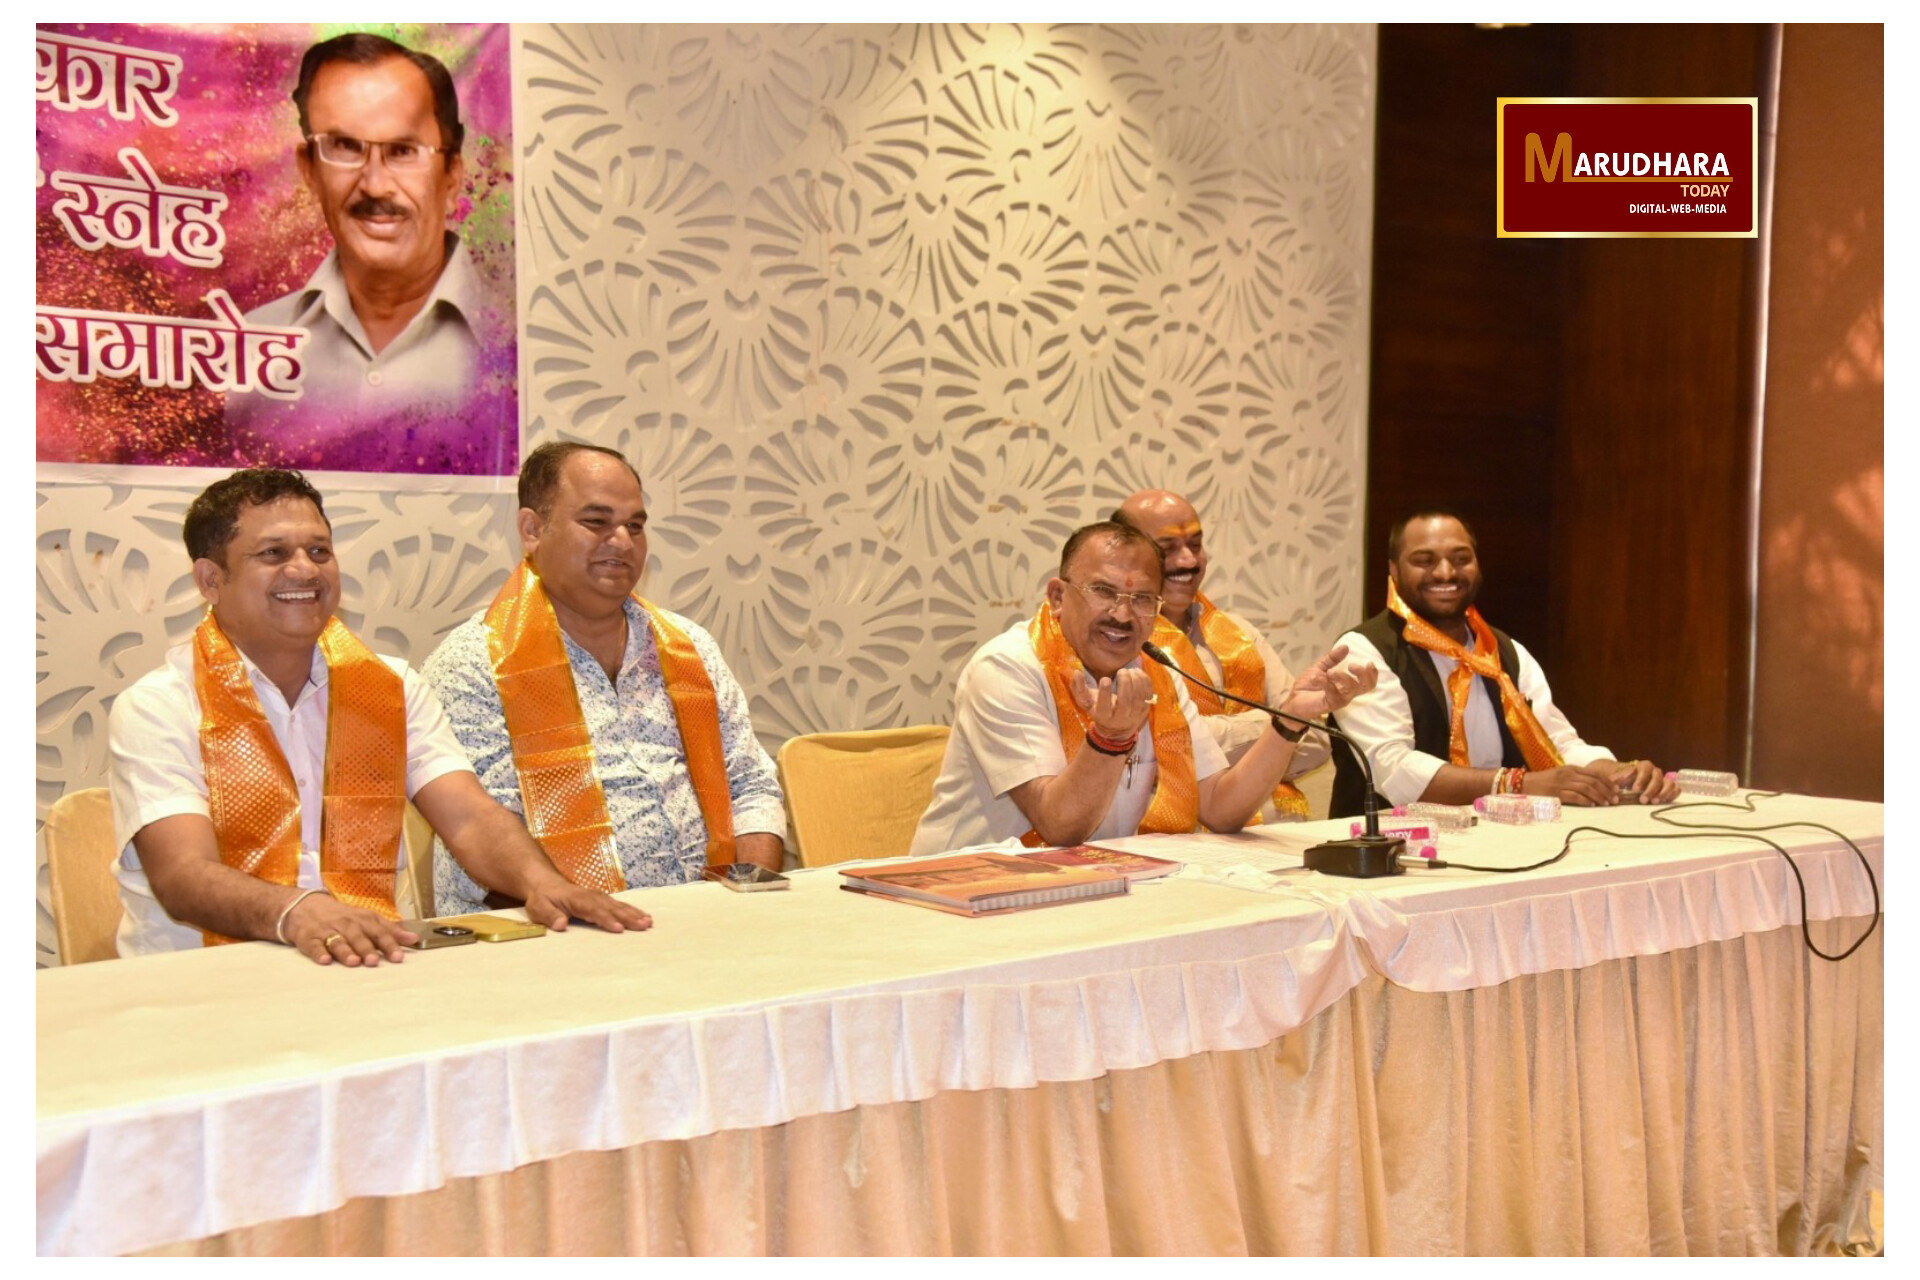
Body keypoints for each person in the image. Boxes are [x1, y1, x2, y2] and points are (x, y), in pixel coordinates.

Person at [106, 468, 651, 966]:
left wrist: (542, 882)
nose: (305, 569)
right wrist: (297, 910)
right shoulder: (160, 707)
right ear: (210, 580)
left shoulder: (390, 687)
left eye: (319, 551)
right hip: (202, 982)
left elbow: (468, 817)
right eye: (273, 553)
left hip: (372, 962)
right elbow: (183, 874)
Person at [424, 443, 787, 913]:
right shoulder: (473, 663)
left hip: (710, 917)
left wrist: (752, 899)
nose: (622, 541)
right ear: (532, 530)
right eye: (596, 522)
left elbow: (750, 785)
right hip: (543, 930)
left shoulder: (688, 647)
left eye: (635, 525)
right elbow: (482, 830)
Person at [909, 520, 1377, 855]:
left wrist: (1290, 719)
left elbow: (1221, 807)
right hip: (969, 895)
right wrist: (1110, 740)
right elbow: (1059, 826)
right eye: (1103, 592)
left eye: (1141, 599)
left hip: (1089, 888)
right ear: (1057, 597)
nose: (1121, 614)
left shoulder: (1156, 671)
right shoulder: (1007, 667)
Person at [226, 33, 492, 471]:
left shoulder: (511, 344)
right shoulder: (248, 349)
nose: (375, 185)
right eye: (345, 147)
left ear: (451, 176)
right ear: (310, 170)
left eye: (403, 151)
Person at [1328, 510, 1681, 817]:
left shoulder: (1504, 651)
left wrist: (1617, 772)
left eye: (1461, 558)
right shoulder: (1362, 651)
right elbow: (1394, 768)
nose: (1446, 572)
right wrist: (1518, 784)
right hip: (1385, 853)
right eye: (1424, 560)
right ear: (1393, 569)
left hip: (1498, 840)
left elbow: (1557, 744)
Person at [1114, 489, 1331, 819]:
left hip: (1278, 835)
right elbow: (1152, 749)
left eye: (1195, 544)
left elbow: (1316, 740)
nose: (1188, 561)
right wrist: (1277, 731)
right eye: (1167, 548)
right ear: (1124, 556)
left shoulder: (1240, 633)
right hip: (1178, 837)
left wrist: (1200, 745)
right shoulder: (1116, 639)